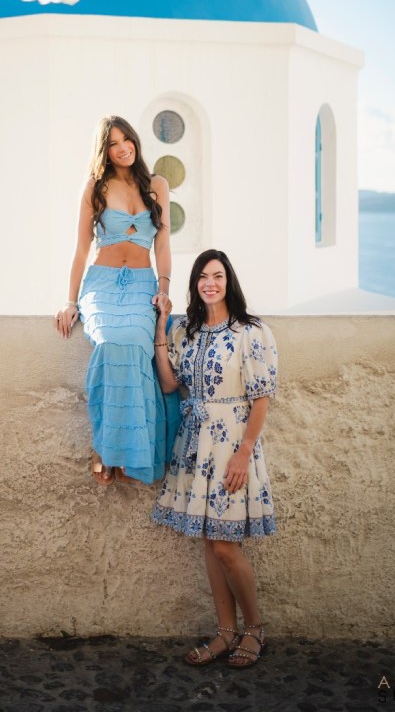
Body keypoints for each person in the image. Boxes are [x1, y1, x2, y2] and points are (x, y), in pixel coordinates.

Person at [152, 249, 277, 669]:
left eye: (218, 276)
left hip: (231, 448)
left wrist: (244, 454)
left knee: (225, 546)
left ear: (229, 281)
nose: (210, 283)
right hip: (195, 445)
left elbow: (261, 398)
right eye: (203, 276)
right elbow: (171, 384)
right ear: (194, 283)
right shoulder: (185, 330)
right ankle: (226, 632)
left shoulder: (251, 331)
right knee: (210, 541)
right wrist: (161, 327)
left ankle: (254, 629)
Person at [55, 115, 174, 485]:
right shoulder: (94, 187)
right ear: (103, 150)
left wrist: (165, 289)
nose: (123, 147)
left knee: (137, 341)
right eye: (113, 143)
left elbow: (163, 244)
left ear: (135, 142)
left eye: (127, 140)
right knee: (108, 342)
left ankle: (130, 453)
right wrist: (70, 301)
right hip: (102, 284)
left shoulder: (157, 185)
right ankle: (105, 448)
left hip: (142, 284)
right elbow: (80, 248)